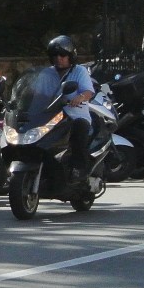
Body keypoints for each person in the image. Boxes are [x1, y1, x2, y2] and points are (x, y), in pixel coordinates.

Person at [35, 34, 95, 180]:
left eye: (63, 55)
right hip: (52, 116)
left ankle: (79, 168)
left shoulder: (79, 71)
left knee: (79, 129)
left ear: (71, 56)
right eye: (55, 55)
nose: (59, 58)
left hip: (75, 114)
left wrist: (79, 98)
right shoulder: (46, 74)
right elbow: (37, 94)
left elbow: (88, 91)